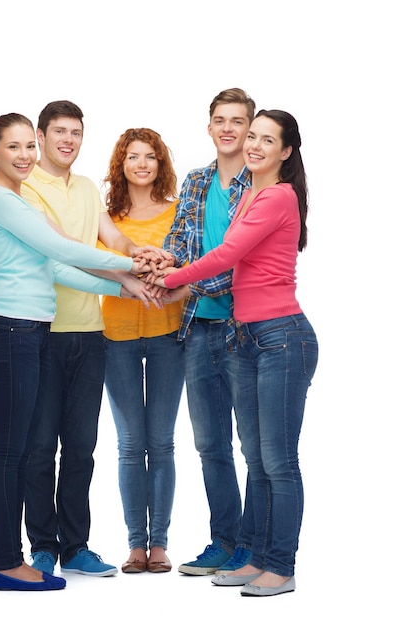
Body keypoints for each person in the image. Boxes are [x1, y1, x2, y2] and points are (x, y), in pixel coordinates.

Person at [0, 113, 151, 591]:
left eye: (25, 148)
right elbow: (61, 248)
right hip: (13, 331)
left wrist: (125, 288)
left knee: (28, 452)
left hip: (28, 330)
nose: (24, 156)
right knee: (12, 455)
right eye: (13, 147)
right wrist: (130, 264)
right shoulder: (0, 197)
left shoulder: (15, 198)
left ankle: (23, 560)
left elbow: (58, 267)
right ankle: (10, 563)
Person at [153, 109, 319, 596]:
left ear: (285, 152)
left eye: (268, 140)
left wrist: (170, 281)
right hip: (247, 336)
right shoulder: (248, 194)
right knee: (260, 461)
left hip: (281, 338)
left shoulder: (278, 197)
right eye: (253, 137)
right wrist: (175, 276)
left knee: (279, 462)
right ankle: (254, 557)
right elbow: (222, 260)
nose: (255, 145)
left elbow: (224, 256)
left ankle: (281, 566)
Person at [21, 101, 170, 577]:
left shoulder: (86, 189)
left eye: (77, 133)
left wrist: (135, 251)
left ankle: (76, 546)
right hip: (45, 329)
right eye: (59, 131)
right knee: (42, 446)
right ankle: (43, 545)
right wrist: (126, 276)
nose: (68, 140)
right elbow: (63, 254)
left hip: (90, 333)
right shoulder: (23, 188)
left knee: (81, 448)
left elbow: (111, 237)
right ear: (40, 136)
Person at [159, 88, 256, 575]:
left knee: (254, 446)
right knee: (210, 444)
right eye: (220, 119)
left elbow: (239, 262)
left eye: (238, 121)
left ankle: (252, 547)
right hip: (198, 328)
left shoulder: (260, 186)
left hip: (245, 329)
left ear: (251, 129)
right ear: (210, 126)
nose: (228, 129)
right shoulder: (196, 181)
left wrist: (179, 284)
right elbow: (178, 237)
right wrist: (162, 263)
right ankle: (225, 541)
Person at [100, 128, 185, 573]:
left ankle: (160, 545)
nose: (142, 164)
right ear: (122, 163)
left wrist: (165, 268)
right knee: (131, 444)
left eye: (150, 156)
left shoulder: (176, 213)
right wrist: (130, 270)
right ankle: (136, 544)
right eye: (133, 156)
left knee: (163, 442)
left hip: (167, 332)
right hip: (115, 334)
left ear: (160, 163)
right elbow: (94, 264)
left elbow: (190, 266)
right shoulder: (105, 217)